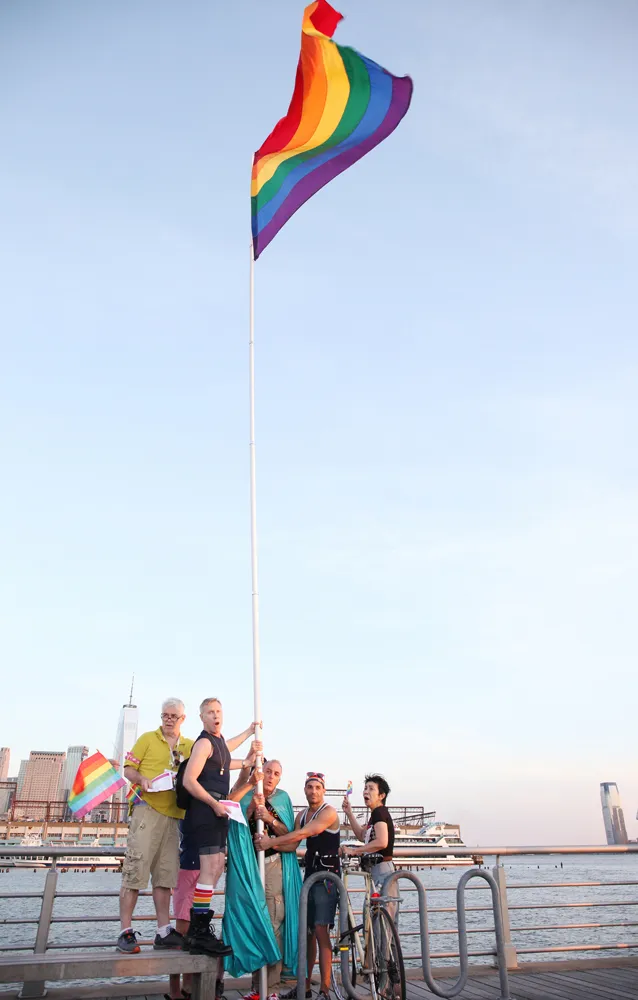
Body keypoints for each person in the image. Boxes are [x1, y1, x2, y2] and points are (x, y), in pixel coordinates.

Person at [181, 697, 259, 957]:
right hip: (207, 809)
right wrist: (214, 804)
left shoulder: (218, 744)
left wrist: (249, 735)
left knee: (214, 869)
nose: (215, 716)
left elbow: (226, 753)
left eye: (218, 711)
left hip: (218, 809)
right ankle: (198, 932)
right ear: (202, 717)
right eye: (210, 712)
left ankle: (199, 928)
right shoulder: (203, 743)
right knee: (209, 868)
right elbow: (189, 781)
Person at [117, 698, 194, 954]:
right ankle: (125, 932)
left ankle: (163, 931)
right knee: (135, 871)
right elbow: (128, 769)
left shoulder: (189, 746)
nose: (169, 720)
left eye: (174, 716)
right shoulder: (147, 739)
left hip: (174, 816)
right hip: (146, 810)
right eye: (165, 715)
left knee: (165, 876)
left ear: (183, 719)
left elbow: (214, 757)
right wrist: (142, 779)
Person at [255, 772, 340, 1000]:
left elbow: (304, 833)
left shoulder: (329, 812)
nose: (313, 791)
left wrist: (272, 841)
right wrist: (264, 846)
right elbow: (292, 844)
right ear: (305, 790)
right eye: (310, 787)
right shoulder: (302, 814)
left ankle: (325, 989)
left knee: (321, 930)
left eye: (317, 787)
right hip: (309, 876)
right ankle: (305, 987)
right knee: (307, 932)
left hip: (327, 879)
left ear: (324, 791)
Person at [226, 758, 302, 1000]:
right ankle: (257, 986)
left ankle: (271, 988)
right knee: (253, 922)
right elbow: (234, 825)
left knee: (273, 923)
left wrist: (269, 819)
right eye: (267, 771)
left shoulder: (283, 799)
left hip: (272, 866)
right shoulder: (247, 795)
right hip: (248, 869)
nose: (270, 776)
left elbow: (290, 836)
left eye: (276, 773)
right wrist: (251, 809)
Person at [341, 774, 395, 888]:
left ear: (381, 795)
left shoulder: (379, 813)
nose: (366, 791)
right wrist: (349, 813)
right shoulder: (376, 814)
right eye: (365, 788)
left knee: (384, 899)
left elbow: (382, 842)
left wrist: (354, 851)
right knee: (378, 900)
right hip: (378, 868)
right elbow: (362, 835)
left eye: (371, 789)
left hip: (382, 869)